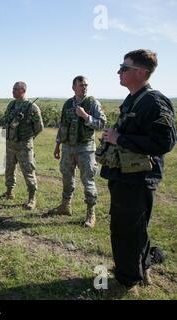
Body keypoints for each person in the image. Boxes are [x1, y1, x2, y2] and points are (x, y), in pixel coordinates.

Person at [99, 49, 176, 296]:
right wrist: (114, 139)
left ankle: (126, 281)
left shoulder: (153, 101)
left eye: (124, 67)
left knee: (126, 229)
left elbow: (165, 142)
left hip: (138, 178)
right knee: (133, 227)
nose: (118, 72)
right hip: (124, 175)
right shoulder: (134, 99)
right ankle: (143, 266)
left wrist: (120, 138)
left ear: (141, 72)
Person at [46, 76, 106, 228]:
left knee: (88, 180)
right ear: (73, 87)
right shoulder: (68, 104)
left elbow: (102, 124)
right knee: (67, 177)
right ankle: (65, 206)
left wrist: (86, 116)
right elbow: (62, 126)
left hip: (85, 149)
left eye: (86, 85)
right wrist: (57, 145)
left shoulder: (92, 103)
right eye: (81, 85)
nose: (84, 87)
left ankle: (90, 213)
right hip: (67, 148)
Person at [2, 81, 44, 210]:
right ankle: (9, 192)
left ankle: (32, 198)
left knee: (28, 171)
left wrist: (28, 138)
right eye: (13, 89)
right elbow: (6, 120)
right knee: (9, 169)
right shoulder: (11, 104)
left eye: (15, 89)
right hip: (10, 143)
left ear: (23, 91)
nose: (12, 91)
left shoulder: (32, 107)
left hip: (24, 146)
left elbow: (39, 127)